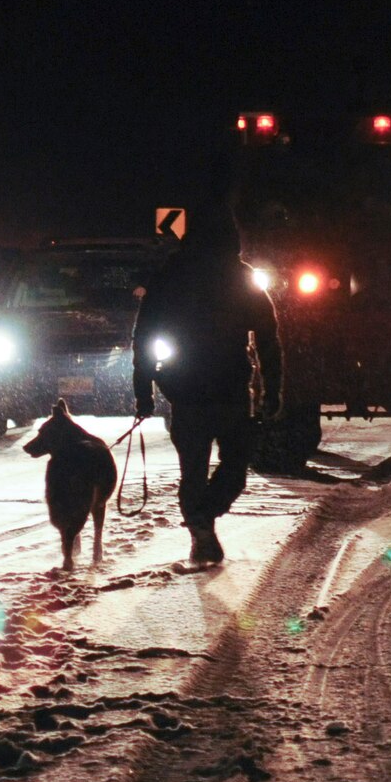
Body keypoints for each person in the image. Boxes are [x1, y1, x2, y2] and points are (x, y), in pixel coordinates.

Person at [132, 206, 282, 566]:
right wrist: (272, 391)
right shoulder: (241, 278)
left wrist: (144, 392)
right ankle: (204, 522)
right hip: (229, 390)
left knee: (194, 470)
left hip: (186, 392)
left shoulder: (170, 276)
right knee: (235, 466)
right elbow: (269, 340)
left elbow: (143, 339)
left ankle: (200, 527)